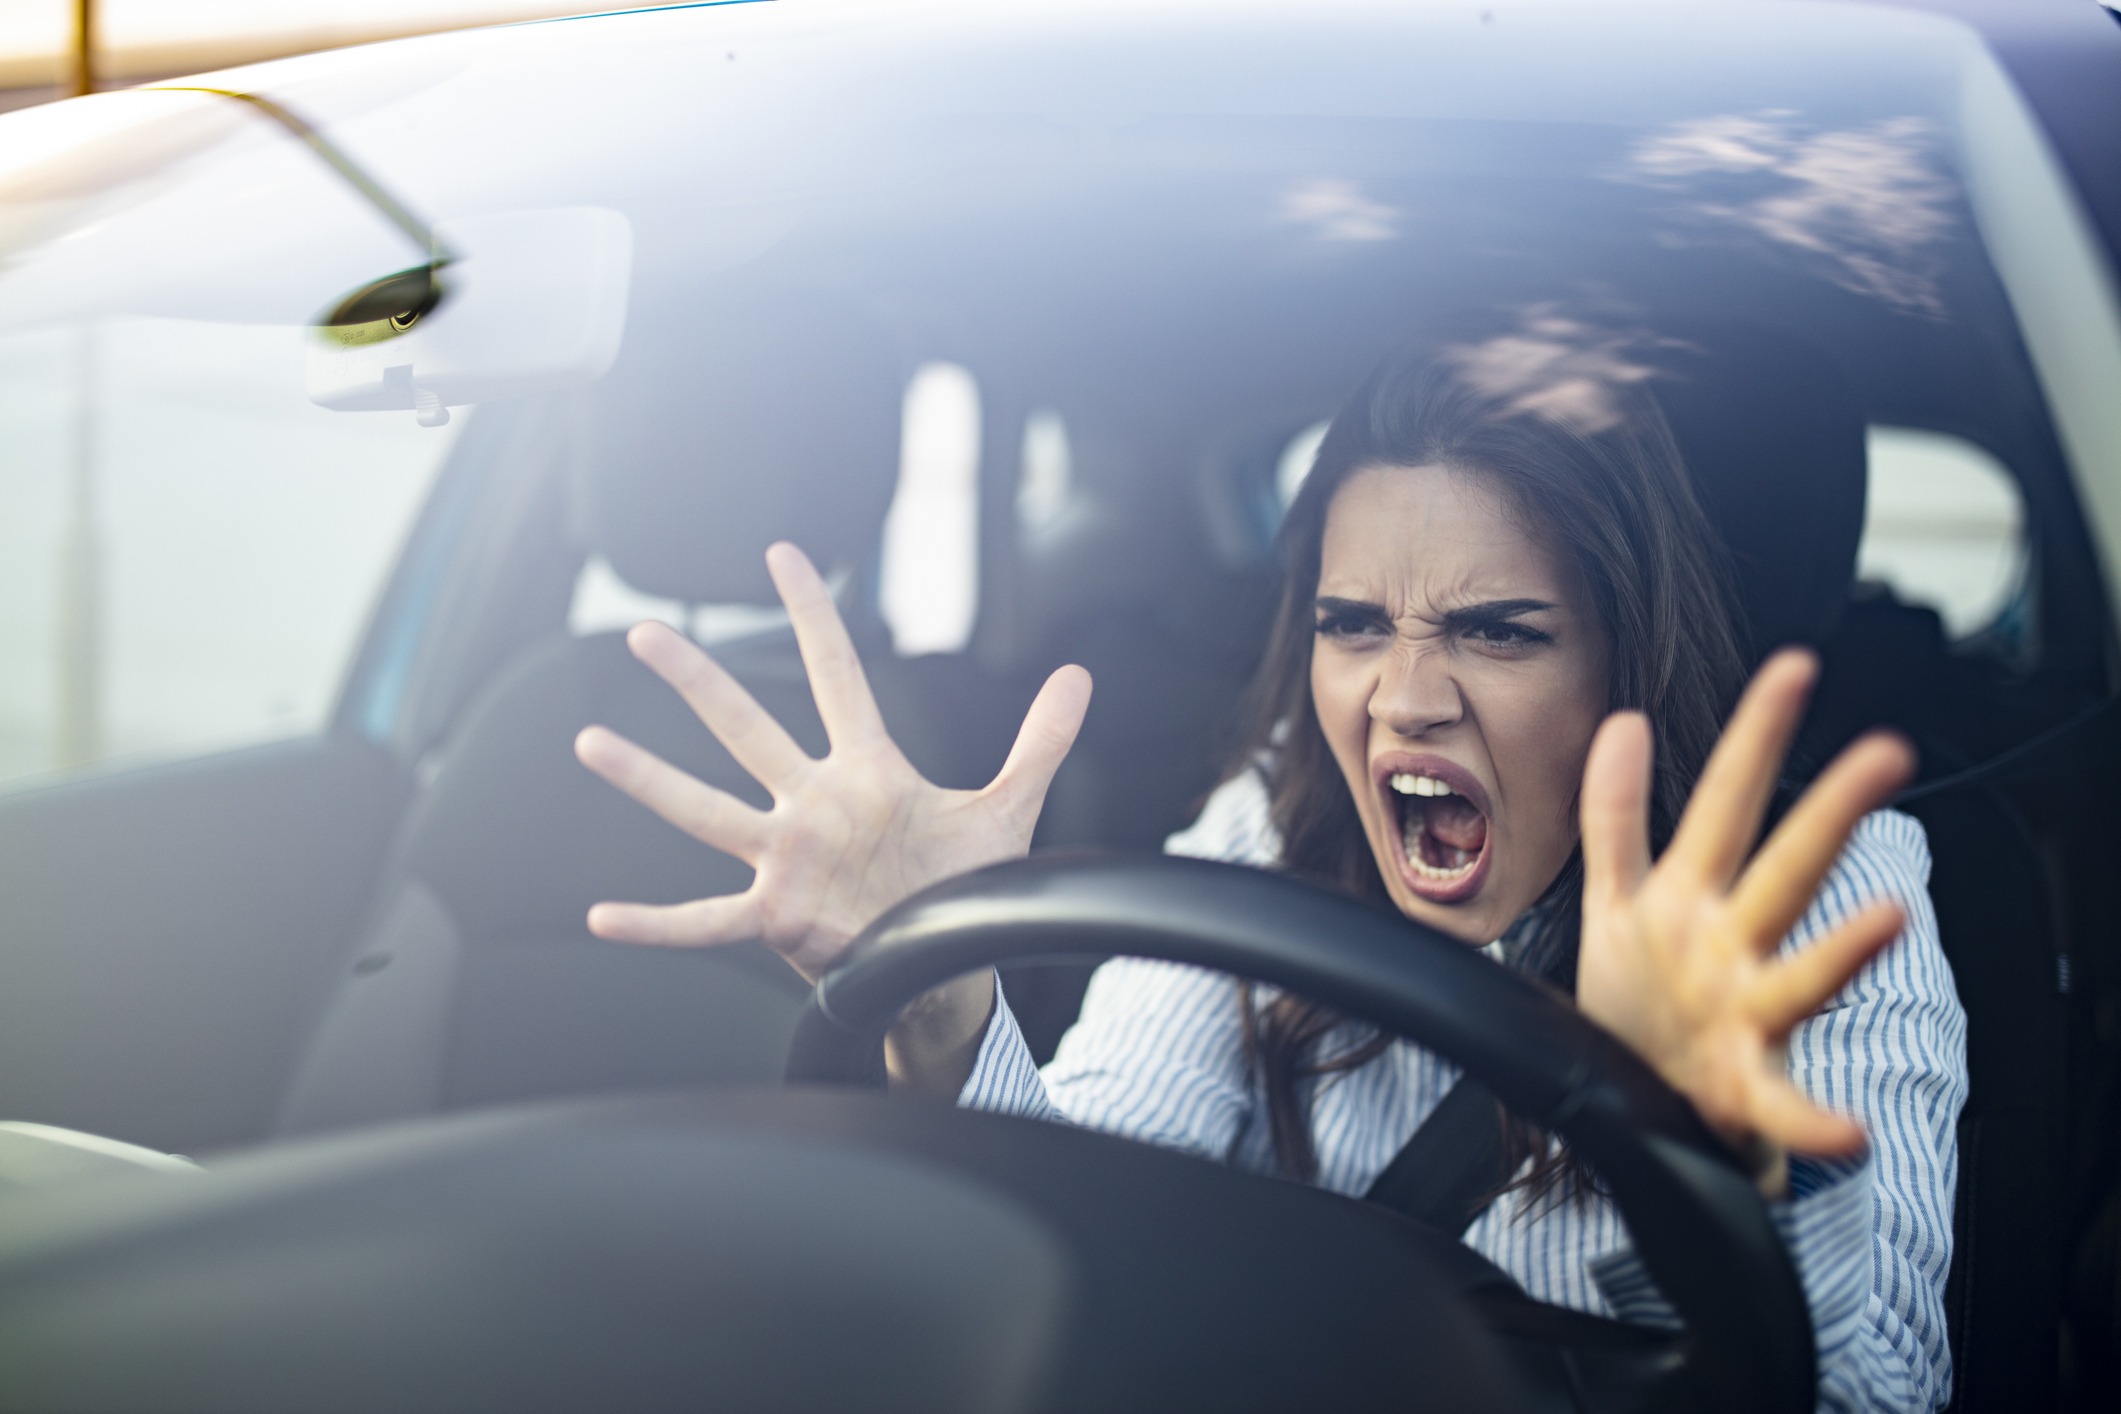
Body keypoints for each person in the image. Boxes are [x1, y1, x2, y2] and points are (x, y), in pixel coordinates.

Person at [572, 347, 1966, 1412]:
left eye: (1496, 631)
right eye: (1352, 625)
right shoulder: (1274, 817)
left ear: (1626, 662)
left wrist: (1704, 1172)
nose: (1401, 700)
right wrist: (937, 1002)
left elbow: (1883, 1394)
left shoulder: (1813, 895)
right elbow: (1100, 1203)